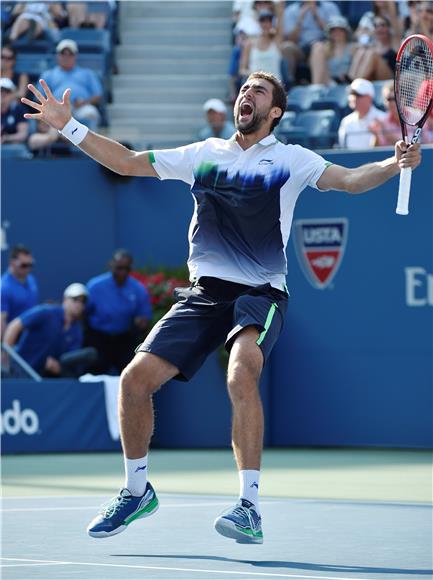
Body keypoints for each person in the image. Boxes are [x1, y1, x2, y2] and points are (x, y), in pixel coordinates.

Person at [22, 70, 421, 544]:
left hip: (260, 293)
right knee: (133, 381)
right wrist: (69, 127)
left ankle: (249, 505)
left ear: (275, 112)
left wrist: (393, 163)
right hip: (205, 293)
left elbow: (351, 180)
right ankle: (135, 491)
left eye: (259, 91)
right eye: (245, 88)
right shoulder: (203, 154)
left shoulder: (293, 160)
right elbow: (127, 162)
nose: (246, 94)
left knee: (241, 371)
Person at [3, 283, 97, 378]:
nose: (79, 304)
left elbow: (69, 364)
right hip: (17, 371)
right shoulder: (45, 312)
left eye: (83, 302)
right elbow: (14, 327)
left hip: (41, 380)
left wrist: (58, 368)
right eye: (75, 299)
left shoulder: (77, 332)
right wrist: (6, 358)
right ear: (65, 299)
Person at [85, 250, 152, 375]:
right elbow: (84, 313)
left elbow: (144, 315)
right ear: (111, 265)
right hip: (99, 338)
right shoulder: (95, 286)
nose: (122, 272)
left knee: (129, 373)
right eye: (119, 268)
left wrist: (141, 322)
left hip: (123, 339)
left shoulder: (137, 289)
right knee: (94, 373)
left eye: (126, 268)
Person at [42, 39, 103, 131]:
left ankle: (90, 144)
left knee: (91, 113)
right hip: (57, 110)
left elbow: (98, 95)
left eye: (70, 54)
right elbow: (41, 98)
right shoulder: (48, 75)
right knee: (47, 118)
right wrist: (54, 105)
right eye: (63, 53)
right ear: (57, 55)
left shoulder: (87, 73)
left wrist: (84, 102)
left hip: (81, 108)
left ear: (76, 56)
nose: (66, 56)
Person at [282, 0, 341, 83]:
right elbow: (292, 39)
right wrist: (300, 18)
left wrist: (316, 15)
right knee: (287, 47)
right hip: (300, 48)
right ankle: (288, 85)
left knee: (318, 47)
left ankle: (315, 87)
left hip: (323, 46)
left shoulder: (330, 7)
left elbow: (335, 34)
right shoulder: (291, 10)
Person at [349, 14, 400, 82]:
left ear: (389, 28)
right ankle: (351, 79)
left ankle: (357, 83)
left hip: (391, 77)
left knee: (372, 53)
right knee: (361, 51)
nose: (379, 29)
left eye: (382, 25)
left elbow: (394, 17)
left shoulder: (395, 42)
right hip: (373, 76)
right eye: (376, 26)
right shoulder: (372, 45)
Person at [1, 244, 38, 338]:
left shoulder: (31, 279)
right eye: (24, 265)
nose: (28, 269)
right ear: (12, 263)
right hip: (14, 340)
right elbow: (2, 321)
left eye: (30, 265)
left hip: (30, 336)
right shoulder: (3, 287)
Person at [338, 78, 387, 149]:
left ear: (369, 98)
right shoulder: (346, 122)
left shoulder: (383, 118)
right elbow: (343, 149)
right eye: (351, 94)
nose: (353, 98)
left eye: (358, 95)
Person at [239, 7, 285, 81]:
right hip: (255, 85)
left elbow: (280, 15)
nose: (265, 24)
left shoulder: (276, 41)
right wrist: (254, 73)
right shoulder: (249, 43)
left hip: (275, 86)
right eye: (262, 20)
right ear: (258, 22)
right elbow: (242, 70)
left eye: (269, 20)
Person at [309, 15, 354, 86]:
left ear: (346, 31)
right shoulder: (323, 48)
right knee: (317, 47)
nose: (337, 32)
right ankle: (316, 87)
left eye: (340, 29)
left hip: (347, 83)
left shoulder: (353, 47)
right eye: (333, 30)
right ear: (329, 32)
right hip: (327, 82)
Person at [1, 78, 29, 151]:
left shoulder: (19, 109)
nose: (3, 94)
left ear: (12, 94)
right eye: (0, 91)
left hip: (12, 146)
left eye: (7, 92)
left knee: (18, 149)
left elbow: (23, 135)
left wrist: (6, 138)